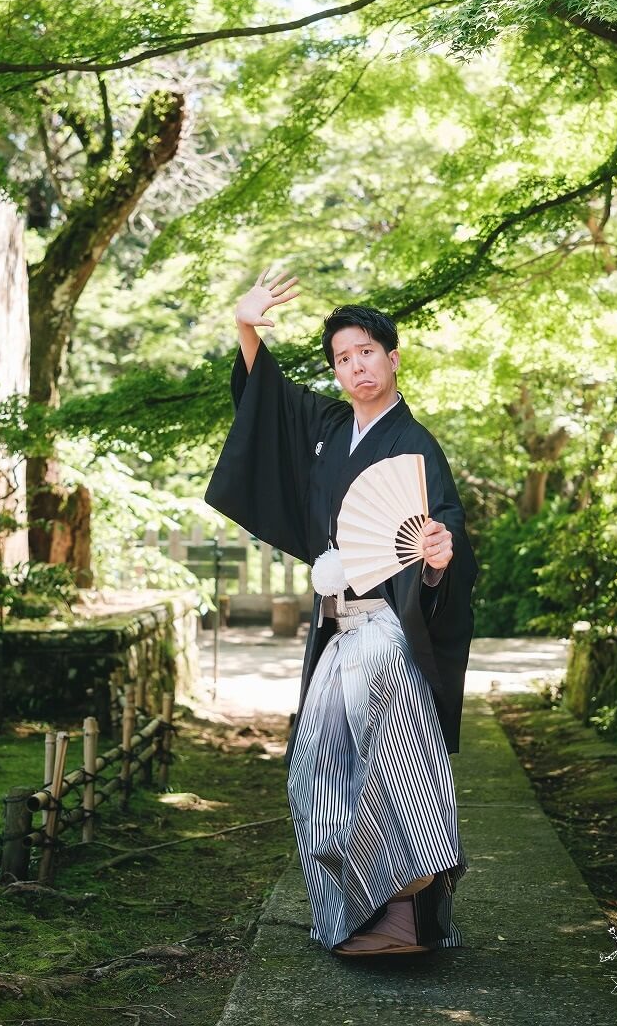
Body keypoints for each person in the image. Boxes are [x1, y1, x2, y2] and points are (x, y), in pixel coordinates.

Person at [204, 269, 477, 956]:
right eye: (342, 357)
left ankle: (401, 917)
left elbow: (444, 534)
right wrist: (245, 328)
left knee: (383, 758)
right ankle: (348, 914)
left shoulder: (416, 445)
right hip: (335, 625)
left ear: (392, 356)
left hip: (389, 627)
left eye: (365, 352)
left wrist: (439, 557)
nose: (355, 366)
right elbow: (265, 403)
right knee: (315, 770)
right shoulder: (327, 425)